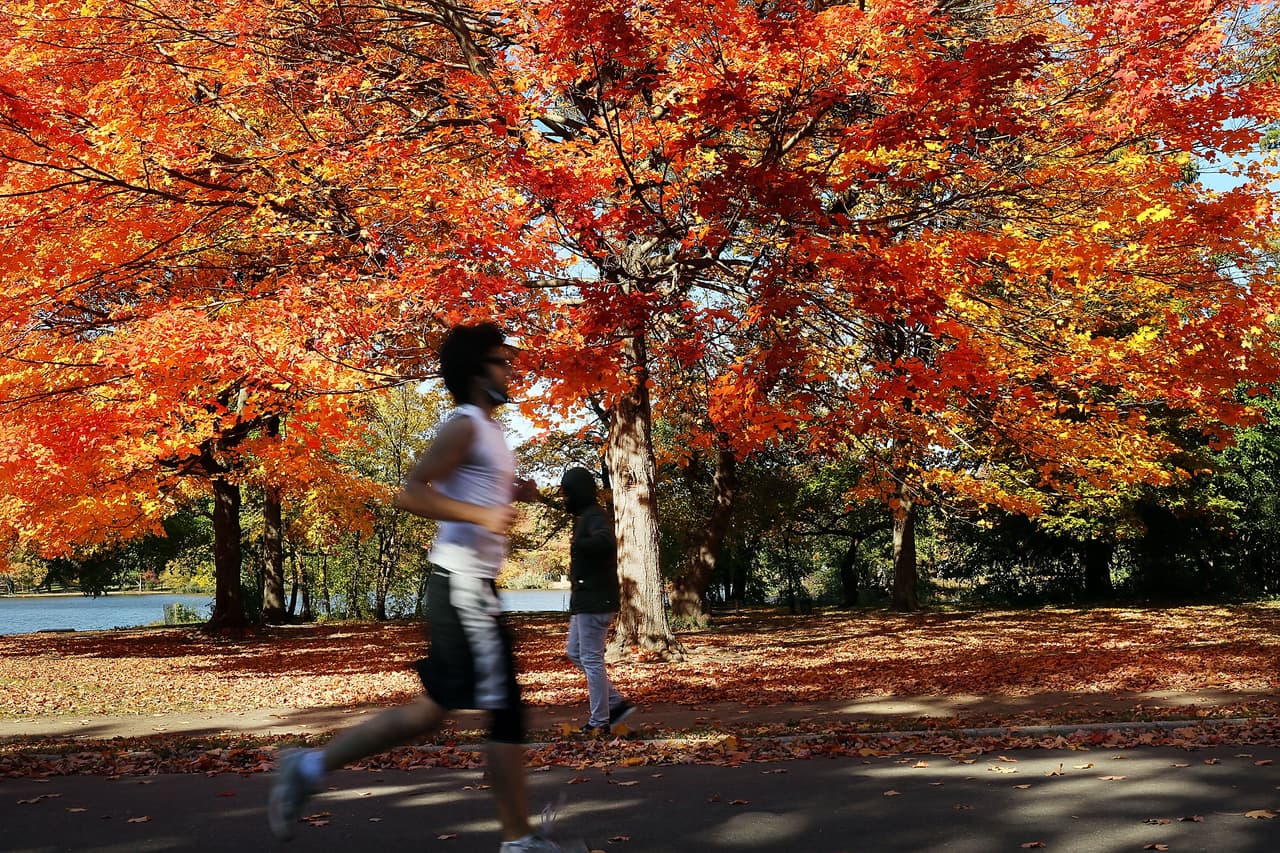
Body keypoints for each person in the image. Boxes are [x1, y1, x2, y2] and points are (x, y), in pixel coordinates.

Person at [268, 322, 571, 852]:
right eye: (501, 361)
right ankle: (519, 842)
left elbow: (478, 490)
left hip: (468, 585)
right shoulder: (463, 426)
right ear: (478, 371)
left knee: (436, 709)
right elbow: (411, 491)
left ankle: (309, 766)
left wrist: (520, 489)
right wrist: (482, 513)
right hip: (463, 585)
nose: (511, 370)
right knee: (505, 711)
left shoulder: (490, 429)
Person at [560, 466, 633, 735]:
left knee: (590, 659)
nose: (565, 500)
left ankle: (600, 721)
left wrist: (580, 547)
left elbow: (606, 542)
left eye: (568, 494)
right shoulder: (585, 518)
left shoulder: (595, 517)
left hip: (596, 601)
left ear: (578, 492)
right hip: (585, 602)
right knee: (575, 653)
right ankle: (615, 704)